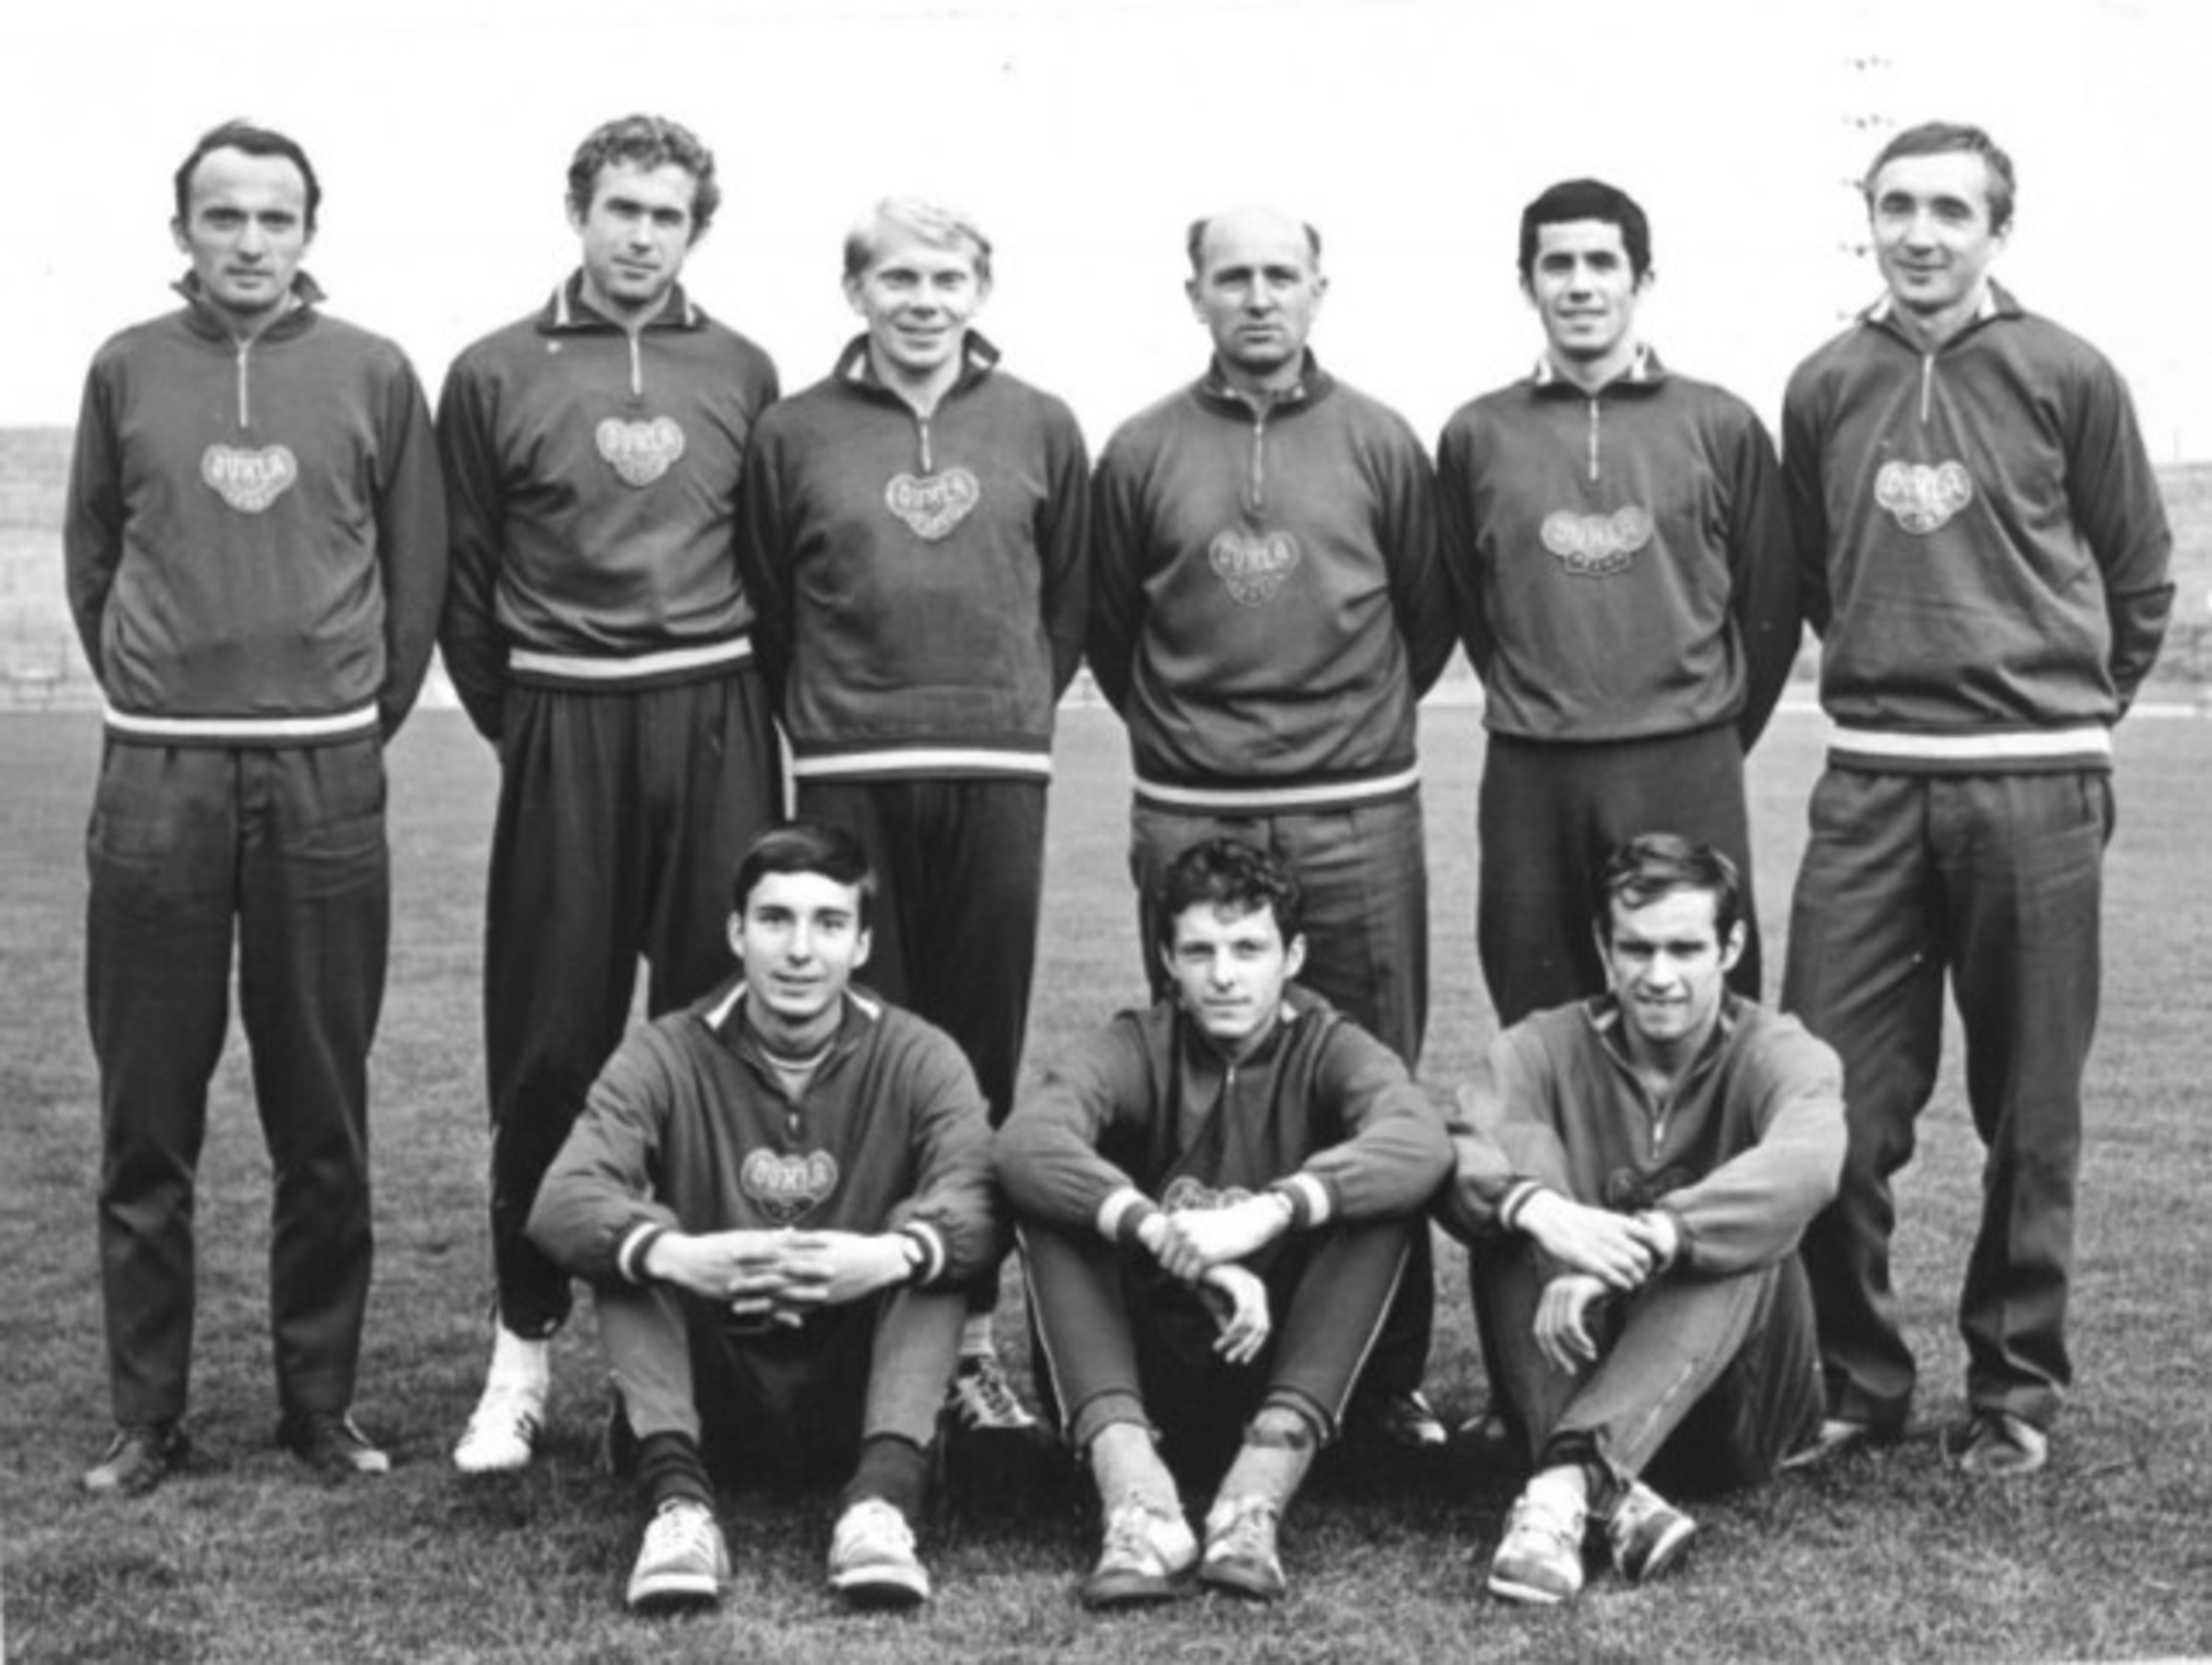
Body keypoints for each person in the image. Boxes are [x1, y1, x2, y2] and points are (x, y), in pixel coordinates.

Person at [1780, 121, 2173, 1477]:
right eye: (1897, 205)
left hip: (2035, 785)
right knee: (1827, 1097)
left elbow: (2138, 576)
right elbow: (1817, 577)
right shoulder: (1825, 381)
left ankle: (2013, 1388)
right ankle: (1855, 1377)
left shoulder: (2068, 370)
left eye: (1952, 209)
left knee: (2031, 1106)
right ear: (1869, 219)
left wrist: (2062, 715)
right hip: (1873, 781)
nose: (1921, 233)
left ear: (2000, 228)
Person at [65, 120, 447, 1492]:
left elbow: (416, 573)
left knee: (321, 1110)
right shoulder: (126, 366)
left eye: (274, 218)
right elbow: (94, 560)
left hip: (322, 776)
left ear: (308, 233)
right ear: (183, 232)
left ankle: (319, 1405)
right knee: (147, 1115)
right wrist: (157, 687)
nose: (248, 241)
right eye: (222, 216)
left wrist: (348, 718)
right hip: (158, 776)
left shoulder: (373, 371)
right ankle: (147, 1416)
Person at [436, 114, 782, 1473]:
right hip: (565, 720)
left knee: (716, 1038)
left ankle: (689, 1366)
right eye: (622, 209)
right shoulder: (494, 369)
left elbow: (769, 562)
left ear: (698, 228)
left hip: (714, 716)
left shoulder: (741, 367)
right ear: (578, 210)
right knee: (547, 1049)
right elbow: (466, 580)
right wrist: (532, 722)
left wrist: (737, 719)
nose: (643, 235)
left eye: (668, 214)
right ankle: (520, 1354)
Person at [1088, 207, 1459, 1447]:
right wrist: (1201, 741)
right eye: (1233, 276)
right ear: (1193, 292)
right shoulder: (1142, 448)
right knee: (1202, 1076)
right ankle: (1198, 1350)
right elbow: (1111, 629)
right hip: (1191, 801)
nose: (1258, 297)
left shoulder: (1381, 440)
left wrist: (1339, 736)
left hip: (1355, 806)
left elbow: (1424, 619)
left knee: (1374, 1084)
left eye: (1281, 276)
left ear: (1319, 290)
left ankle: (1384, 1375)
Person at [735, 197, 1088, 1433]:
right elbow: (773, 602)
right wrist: (834, 715)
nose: (924, 301)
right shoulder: (794, 431)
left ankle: (970, 1338)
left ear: (979, 291)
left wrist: (1013, 708)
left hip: (995, 770)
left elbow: (1067, 598)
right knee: (853, 1047)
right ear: (857, 293)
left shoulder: (1040, 421)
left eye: (947, 278)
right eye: (899, 278)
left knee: (974, 1059)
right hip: (850, 770)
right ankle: (855, 1337)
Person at [526, 823, 996, 1612]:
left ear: (863, 943)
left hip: (858, 1383)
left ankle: (881, 1505)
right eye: (776, 920)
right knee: (633, 1236)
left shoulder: (921, 1055)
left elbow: (983, 1196)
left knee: (930, 1239)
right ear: (737, 933)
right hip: (715, 1385)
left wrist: (883, 1258)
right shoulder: (666, 1051)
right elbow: (563, 1197)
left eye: (829, 923)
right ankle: (678, 1506)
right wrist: (680, 1256)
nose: (800, 951)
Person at [996, 839, 1449, 1607]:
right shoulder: (1139, 1044)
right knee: (1055, 1205)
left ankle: (1253, 1499)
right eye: (1200, 952)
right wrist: (1161, 1235)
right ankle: (1137, 1501)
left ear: (1292, 956)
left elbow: (1420, 1139)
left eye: (1248, 949)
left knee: (1382, 1198)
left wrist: (1269, 1213)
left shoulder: (1330, 1045)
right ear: (1167, 961)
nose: (1225, 975)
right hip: (1155, 1371)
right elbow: (1026, 1139)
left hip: (1288, 1358)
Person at [1438, 835, 1842, 1604]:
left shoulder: (1779, 1050)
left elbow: (1812, 1160)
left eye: (1685, 949)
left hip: (1733, 1415)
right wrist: (1548, 1214)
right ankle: (1607, 1492)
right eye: (1637, 948)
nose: (1659, 976)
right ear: (1603, 946)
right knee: (1515, 1192)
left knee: (1736, 1228)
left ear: (1731, 947)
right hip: (1577, 1372)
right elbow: (1459, 1152)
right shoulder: (1540, 1047)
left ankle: (1562, 1485)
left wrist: (1659, 1238)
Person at [1436, 178, 1798, 1028]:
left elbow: (1771, 609)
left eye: (1603, 262)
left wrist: (1703, 731)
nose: (1580, 285)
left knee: (1699, 1013)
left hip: (1684, 758)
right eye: (1557, 265)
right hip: (1533, 766)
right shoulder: (1478, 433)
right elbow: (1470, 604)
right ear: (1527, 283)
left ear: (1643, 279)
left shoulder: (1720, 423)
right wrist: (1549, 691)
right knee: (1542, 1016)